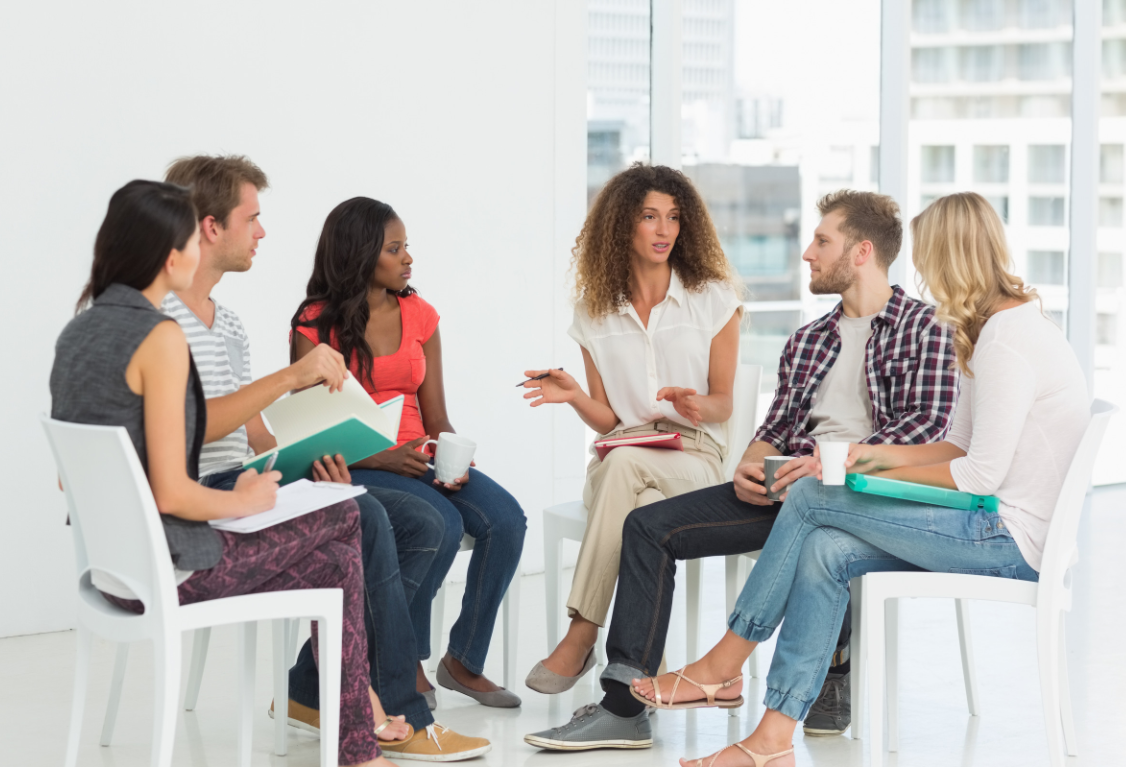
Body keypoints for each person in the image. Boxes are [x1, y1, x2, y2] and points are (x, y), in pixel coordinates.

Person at [632, 191, 1090, 767]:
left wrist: (839, 466)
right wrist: (846, 460)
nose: (922, 273)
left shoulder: (1007, 340)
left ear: (954, 258)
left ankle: (724, 665)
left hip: (1010, 539)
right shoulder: (987, 330)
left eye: (930, 260)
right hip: (990, 521)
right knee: (825, 547)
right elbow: (952, 444)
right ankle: (772, 741)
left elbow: (979, 474)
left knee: (810, 497)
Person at [525, 189, 960, 750]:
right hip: (791, 488)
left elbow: (926, 427)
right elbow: (774, 429)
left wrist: (829, 464)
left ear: (861, 252)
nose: (807, 253)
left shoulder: (925, 328)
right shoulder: (808, 341)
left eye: (822, 241)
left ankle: (829, 664)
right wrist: (750, 469)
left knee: (820, 530)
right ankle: (625, 703)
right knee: (647, 527)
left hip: (869, 494)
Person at [50, 180, 388, 766]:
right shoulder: (159, 336)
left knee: (335, 563)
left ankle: (357, 738)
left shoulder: (77, 333)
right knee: (344, 512)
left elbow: (72, 479)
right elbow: (169, 489)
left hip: (110, 573)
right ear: (171, 255)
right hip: (167, 573)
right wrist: (248, 499)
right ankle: (359, 745)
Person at [160, 156, 487, 760]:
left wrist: (307, 458)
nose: (262, 232)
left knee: (418, 519)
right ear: (210, 226)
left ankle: (329, 690)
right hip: (212, 495)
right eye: (251, 218)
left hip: (251, 474)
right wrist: (292, 377)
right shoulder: (161, 321)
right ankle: (398, 713)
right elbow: (194, 427)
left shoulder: (224, 320)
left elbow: (254, 432)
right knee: (367, 519)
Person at [290, 197, 528, 709]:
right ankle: (408, 660)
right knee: (436, 521)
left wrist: (452, 458)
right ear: (359, 255)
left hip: (417, 457)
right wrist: (382, 456)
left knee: (506, 519)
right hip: (352, 464)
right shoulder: (315, 322)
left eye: (407, 247)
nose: (408, 259)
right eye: (394, 249)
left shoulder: (420, 314)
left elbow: (436, 416)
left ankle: (463, 659)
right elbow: (310, 430)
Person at [521, 163, 743, 696]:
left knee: (622, 466)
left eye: (672, 217)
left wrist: (694, 405)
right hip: (625, 454)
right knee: (626, 473)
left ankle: (581, 631)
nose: (664, 229)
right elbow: (608, 417)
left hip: (694, 457)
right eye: (649, 217)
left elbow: (724, 403)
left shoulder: (714, 298)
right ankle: (635, 673)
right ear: (623, 225)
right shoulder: (594, 312)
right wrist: (575, 396)